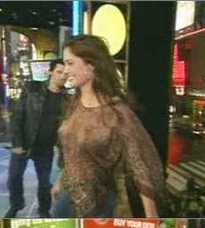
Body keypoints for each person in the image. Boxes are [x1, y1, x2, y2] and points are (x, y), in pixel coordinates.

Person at [51, 35, 167, 218]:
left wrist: (152, 217)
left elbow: (141, 166)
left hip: (99, 205)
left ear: (90, 66)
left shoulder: (118, 114)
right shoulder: (72, 106)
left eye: (70, 63)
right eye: (65, 64)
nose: (65, 71)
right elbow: (71, 151)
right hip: (64, 200)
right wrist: (59, 180)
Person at [6, 59, 67, 218]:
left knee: (44, 182)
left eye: (65, 73)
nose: (63, 76)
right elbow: (17, 115)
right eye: (59, 72)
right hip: (24, 143)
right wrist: (17, 143)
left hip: (45, 148)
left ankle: (44, 210)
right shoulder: (32, 88)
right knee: (14, 178)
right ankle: (16, 205)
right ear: (50, 72)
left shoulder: (67, 99)